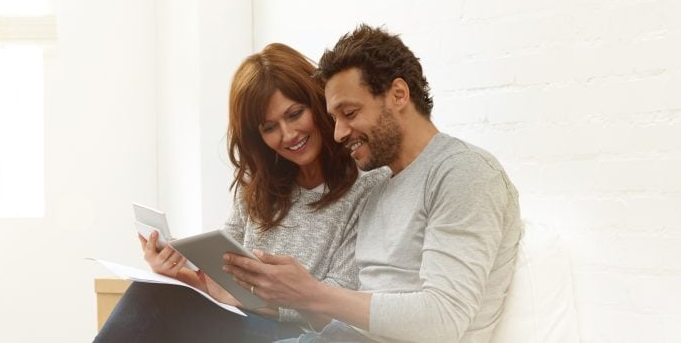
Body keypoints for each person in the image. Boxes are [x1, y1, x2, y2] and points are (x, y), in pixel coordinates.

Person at [223, 24, 524, 343]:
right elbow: (343, 318)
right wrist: (303, 297)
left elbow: (443, 320)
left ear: (398, 94)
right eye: (334, 118)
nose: (338, 133)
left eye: (349, 113)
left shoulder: (464, 171)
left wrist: (313, 293)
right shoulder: (380, 190)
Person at [93, 43, 388, 342]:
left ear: (318, 102)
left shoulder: (366, 186)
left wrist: (258, 299)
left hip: (304, 335)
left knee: (156, 302)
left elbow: (341, 304)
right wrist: (180, 274)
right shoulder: (259, 187)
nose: (288, 135)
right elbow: (222, 277)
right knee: (155, 289)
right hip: (243, 322)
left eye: (295, 114)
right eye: (269, 127)